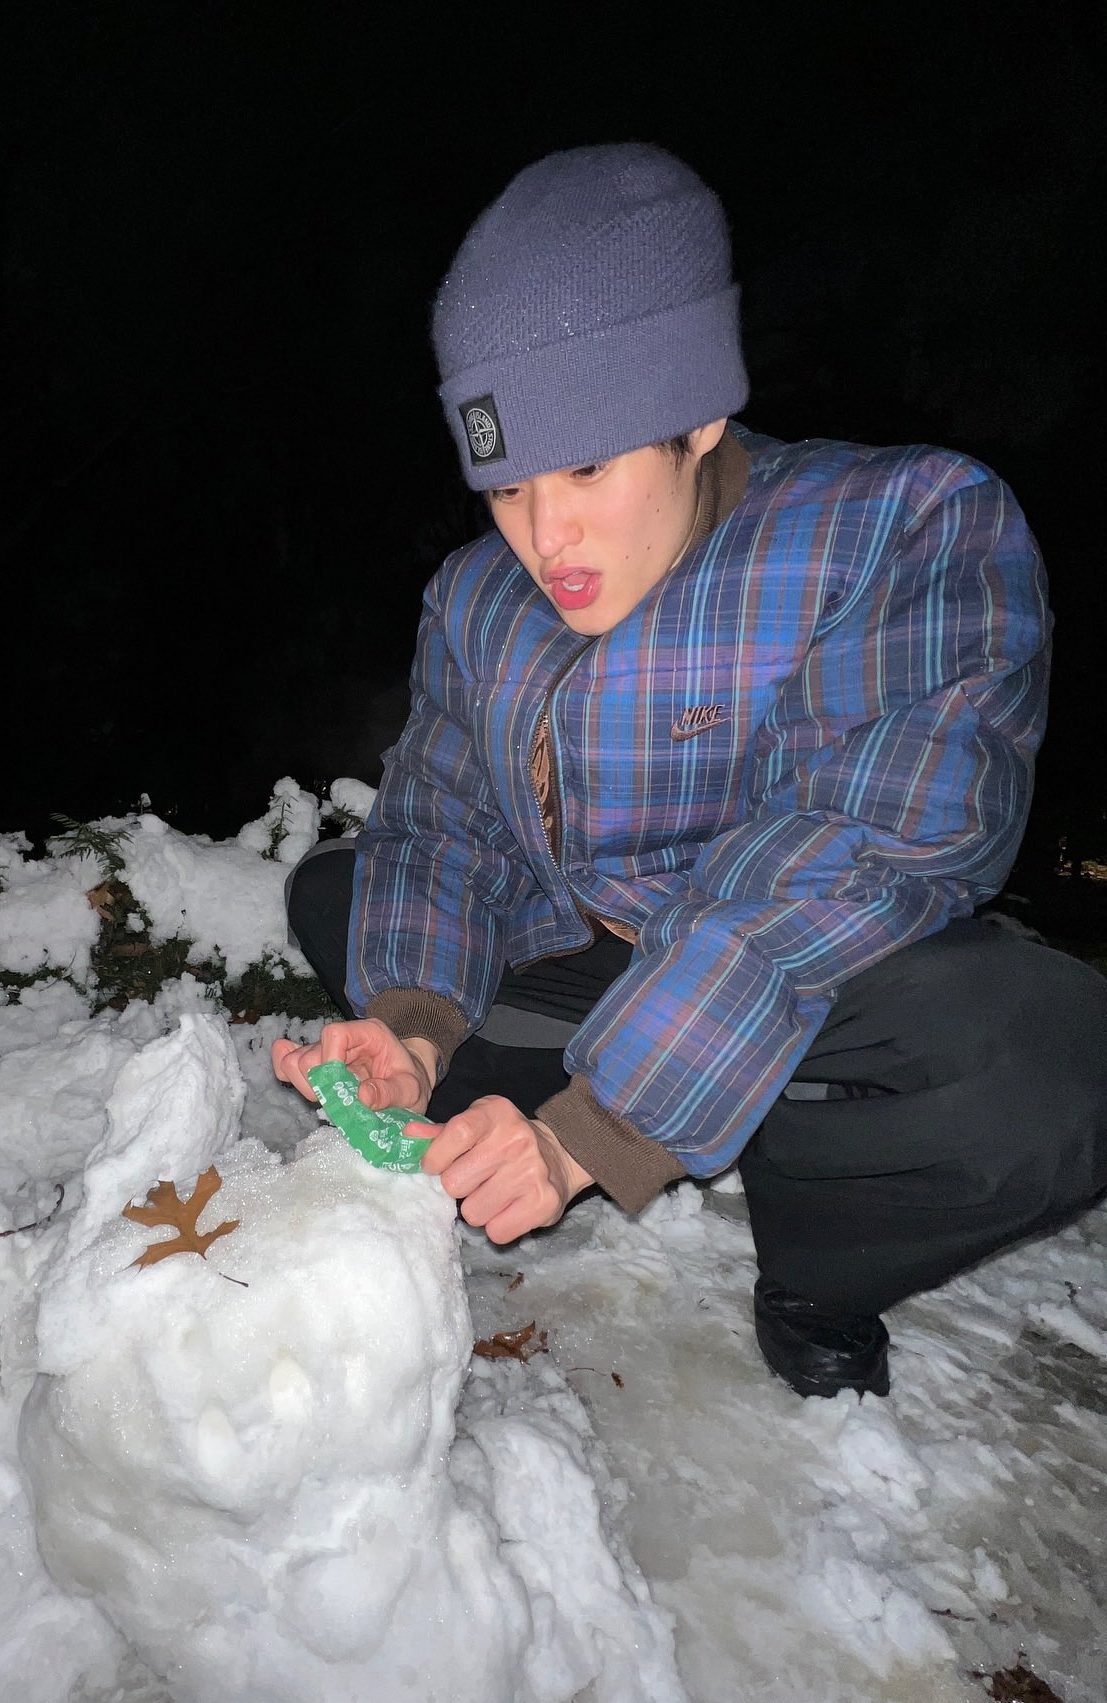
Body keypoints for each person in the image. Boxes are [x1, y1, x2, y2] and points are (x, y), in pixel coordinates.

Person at [272, 144, 1107, 1400]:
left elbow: (863, 846)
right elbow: (443, 831)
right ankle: (546, 1095)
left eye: (588, 469)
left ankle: (818, 1253)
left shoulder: (907, 524)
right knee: (341, 896)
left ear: (697, 414)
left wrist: (589, 1129)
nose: (544, 538)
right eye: (506, 485)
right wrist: (410, 1034)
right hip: (585, 959)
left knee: (1047, 1062)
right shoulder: (476, 598)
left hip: (822, 961)